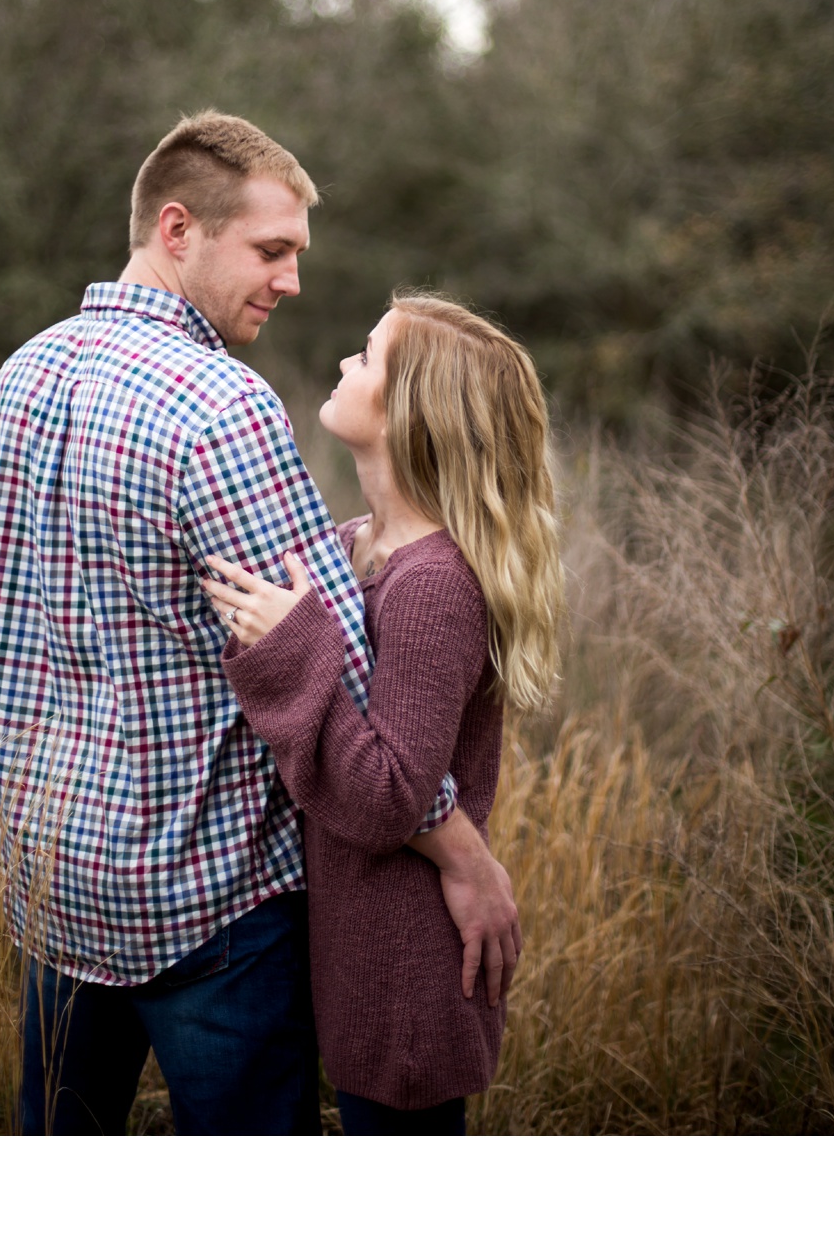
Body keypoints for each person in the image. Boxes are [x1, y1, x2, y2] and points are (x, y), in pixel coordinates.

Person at [0, 111, 519, 1135]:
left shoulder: (19, 376)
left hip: (54, 883)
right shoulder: (221, 408)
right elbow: (353, 687)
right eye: (271, 250)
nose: (292, 280)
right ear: (178, 230)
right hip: (207, 899)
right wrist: (465, 855)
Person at [200, 293, 563, 1135]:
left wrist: (291, 648)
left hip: (408, 969)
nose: (341, 365)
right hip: (356, 952)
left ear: (411, 413)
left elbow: (390, 793)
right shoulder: (355, 544)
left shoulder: (434, 585)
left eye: (365, 358)